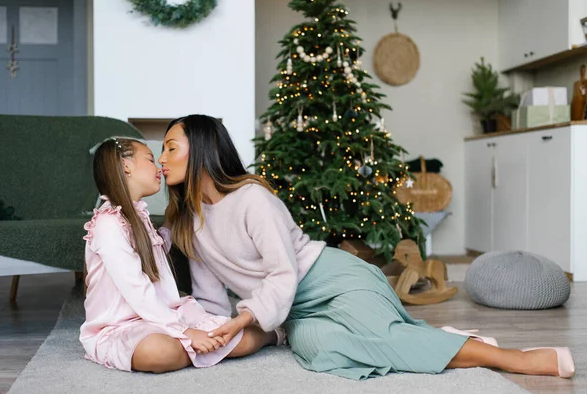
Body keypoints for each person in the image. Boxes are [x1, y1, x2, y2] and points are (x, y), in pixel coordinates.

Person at [158, 114, 574, 380]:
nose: (162, 157)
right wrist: (212, 329)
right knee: (317, 348)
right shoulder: (186, 225)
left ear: (204, 148)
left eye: (171, 147)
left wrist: (245, 318)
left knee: (379, 336)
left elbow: (284, 273)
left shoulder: (252, 199)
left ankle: (513, 358)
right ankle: (438, 342)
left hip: (332, 280)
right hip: (293, 311)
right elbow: (210, 298)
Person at [79, 137, 281, 374]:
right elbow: (135, 287)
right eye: (151, 159)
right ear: (126, 165)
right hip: (122, 325)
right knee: (160, 352)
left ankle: (271, 333)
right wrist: (185, 333)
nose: (159, 167)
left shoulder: (138, 217)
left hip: (164, 313)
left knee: (238, 337)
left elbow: (155, 254)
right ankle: (193, 347)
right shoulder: (108, 224)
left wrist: (173, 221)